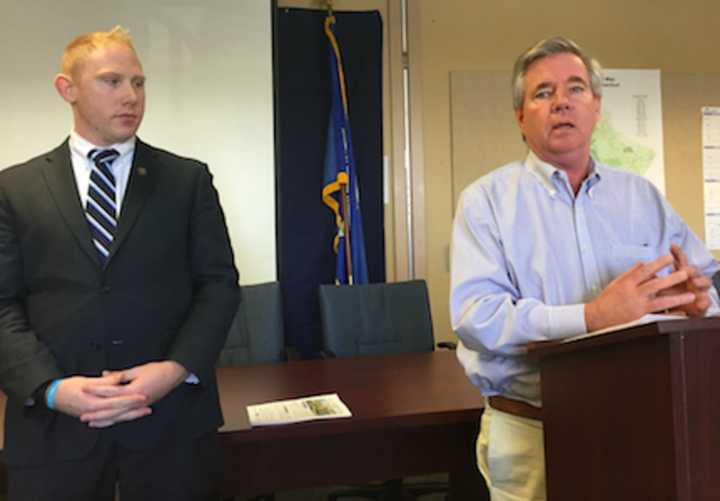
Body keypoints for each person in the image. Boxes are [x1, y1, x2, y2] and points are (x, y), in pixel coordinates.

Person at [449, 36, 718, 501]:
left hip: (640, 427)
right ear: (520, 117)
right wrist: (592, 317)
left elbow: (704, 286)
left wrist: (701, 303)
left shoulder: (643, 197)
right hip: (532, 431)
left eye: (575, 89)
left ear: (595, 107)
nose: (561, 103)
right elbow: (477, 317)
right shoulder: (485, 202)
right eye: (542, 93)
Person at [0, 26, 239, 500]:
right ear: (67, 89)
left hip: (169, 425)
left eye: (139, 82)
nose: (131, 96)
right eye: (112, 81)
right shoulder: (15, 189)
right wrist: (51, 389)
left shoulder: (186, 181)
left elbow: (219, 286)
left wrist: (173, 370)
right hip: (54, 431)